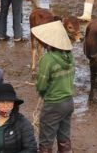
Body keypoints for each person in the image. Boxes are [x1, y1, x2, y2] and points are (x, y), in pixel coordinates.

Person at [32, 21, 75, 153]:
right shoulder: (69, 56)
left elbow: (42, 85)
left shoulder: (47, 59)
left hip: (53, 104)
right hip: (68, 102)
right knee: (64, 137)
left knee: (46, 140)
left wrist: (40, 89)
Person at [0, 83, 37, 153]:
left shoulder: (23, 123)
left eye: (9, 101)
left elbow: (31, 148)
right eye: (2, 101)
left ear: (14, 104)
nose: (6, 105)